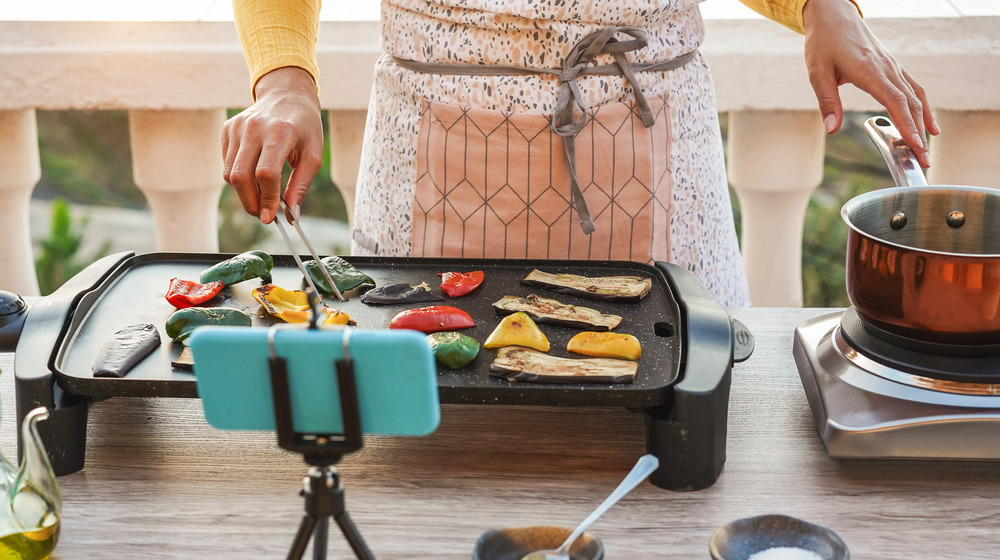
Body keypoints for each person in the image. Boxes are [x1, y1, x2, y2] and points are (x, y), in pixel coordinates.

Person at [222, 0, 937, 308]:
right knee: (431, 453)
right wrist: (284, 75)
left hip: (658, 145)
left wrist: (824, 7)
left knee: (681, 438)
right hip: (426, 155)